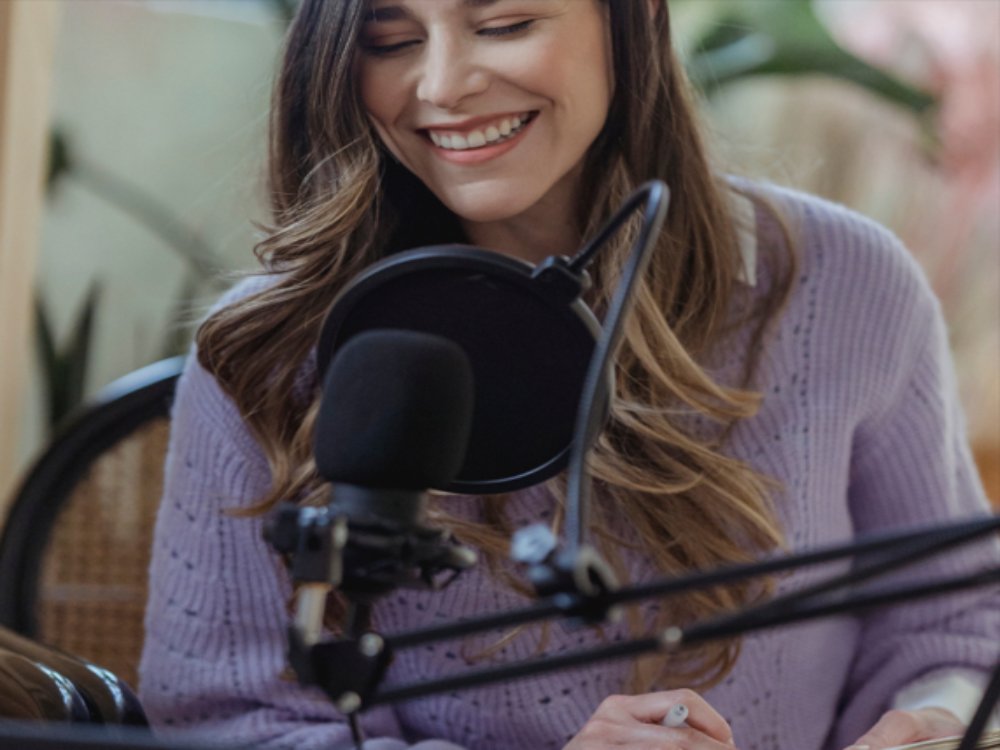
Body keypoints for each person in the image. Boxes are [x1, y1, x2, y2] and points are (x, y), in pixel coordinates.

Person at [138, 1, 999, 749]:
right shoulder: (265, 349)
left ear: (637, 16)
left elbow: (951, 626)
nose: (441, 84)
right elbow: (225, 716)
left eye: (505, 25)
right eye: (391, 39)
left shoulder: (846, 284)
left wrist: (930, 722)